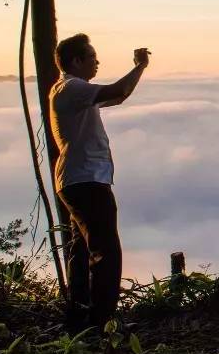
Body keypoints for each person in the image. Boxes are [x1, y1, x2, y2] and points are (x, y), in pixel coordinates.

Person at [50, 34, 150, 332]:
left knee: (81, 252)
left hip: (76, 179)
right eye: (92, 57)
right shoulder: (72, 87)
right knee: (106, 252)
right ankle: (102, 323)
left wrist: (138, 71)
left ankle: (78, 319)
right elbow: (119, 89)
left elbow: (117, 97)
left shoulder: (72, 91)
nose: (97, 62)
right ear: (76, 61)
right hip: (86, 180)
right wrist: (141, 65)